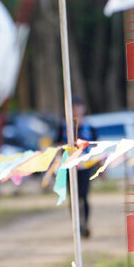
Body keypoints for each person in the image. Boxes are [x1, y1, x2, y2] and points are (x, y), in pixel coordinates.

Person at [56, 96, 97, 237]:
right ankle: (77, 226)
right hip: (68, 167)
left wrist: (100, 166)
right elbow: (57, 145)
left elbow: (96, 147)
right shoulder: (63, 127)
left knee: (84, 196)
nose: (75, 110)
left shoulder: (90, 127)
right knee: (72, 197)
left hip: (85, 167)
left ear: (83, 108)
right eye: (73, 107)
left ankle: (85, 223)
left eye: (78, 106)